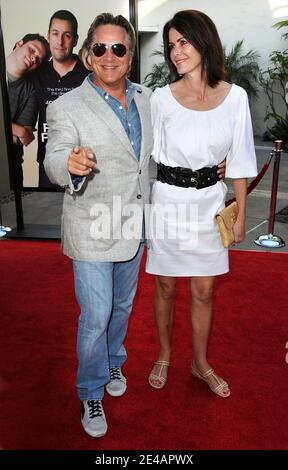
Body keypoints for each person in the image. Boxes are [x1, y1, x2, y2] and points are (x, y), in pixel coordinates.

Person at [44, 13, 153, 438]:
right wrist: (68, 166)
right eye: (101, 48)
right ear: (89, 54)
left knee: (122, 308)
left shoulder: (146, 98)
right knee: (97, 314)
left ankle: (114, 361)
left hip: (135, 223)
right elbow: (57, 154)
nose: (110, 56)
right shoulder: (65, 106)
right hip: (91, 226)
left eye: (119, 48)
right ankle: (90, 389)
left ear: (129, 56)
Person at [146, 10, 258, 397]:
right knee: (164, 287)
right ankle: (163, 353)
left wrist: (241, 214)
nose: (176, 52)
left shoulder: (235, 98)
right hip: (167, 202)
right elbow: (148, 154)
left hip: (210, 204)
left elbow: (241, 161)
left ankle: (200, 362)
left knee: (204, 291)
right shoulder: (161, 98)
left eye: (184, 42)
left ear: (204, 41)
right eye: (172, 45)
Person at [31, 10, 89, 187]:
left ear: (76, 40)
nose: (60, 41)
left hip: (82, 163)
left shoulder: (88, 75)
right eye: (55, 34)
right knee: (47, 213)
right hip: (48, 163)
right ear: (48, 36)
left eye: (67, 35)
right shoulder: (37, 74)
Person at [5, 33, 49, 187]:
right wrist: (17, 129)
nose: (33, 58)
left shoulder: (30, 91)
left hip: (10, 169)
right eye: (32, 50)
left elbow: (23, 138)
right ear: (19, 43)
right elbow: (20, 133)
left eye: (37, 60)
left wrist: (21, 133)